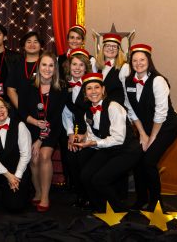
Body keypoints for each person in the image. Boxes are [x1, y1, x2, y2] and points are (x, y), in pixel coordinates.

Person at [73, 73, 142, 212]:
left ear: (103, 89)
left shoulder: (113, 107)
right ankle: (100, 208)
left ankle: (120, 210)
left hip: (127, 150)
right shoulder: (88, 113)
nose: (93, 92)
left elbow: (118, 138)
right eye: (89, 88)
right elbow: (94, 137)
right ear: (85, 93)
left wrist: (93, 144)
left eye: (97, 87)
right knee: (86, 175)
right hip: (109, 148)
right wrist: (84, 139)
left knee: (100, 179)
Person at [124, 44, 177, 211]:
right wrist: (142, 134)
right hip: (146, 128)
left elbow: (161, 114)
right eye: (135, 60)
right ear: (131, 62)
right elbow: (131, 110)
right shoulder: (128, 81)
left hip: (167, 127)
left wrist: (152, 137)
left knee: (148, 161)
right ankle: (141, 199)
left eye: (142, 59)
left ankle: (156, 204)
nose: (138, 63)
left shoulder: (158, 81)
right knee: (137, 160)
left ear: (149, 61)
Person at [18, 52, 68, 212]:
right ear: (39, 67)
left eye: (51, 65)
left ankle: (45, 196)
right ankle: (38, 191)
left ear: (55, 69)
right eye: (44, 65)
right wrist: (34, 122)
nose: (47, 69)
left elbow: (54, 116)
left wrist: (40, 140)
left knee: (44, 155)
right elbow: (21, 111)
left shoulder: (61, 87)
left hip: (52, 128)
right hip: (31, 126)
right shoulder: (28, 85)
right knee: (33, 157)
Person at [0, 95, 32, 212]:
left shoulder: (20, 125)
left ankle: (8, 192)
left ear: (7, 109)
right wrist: (8, 175)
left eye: (2, 107)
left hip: (17, 169)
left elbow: (26, 155)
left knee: (15, 207)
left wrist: (16, 177)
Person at [61, 48, 91, 207]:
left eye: (81, 65)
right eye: (74, 64)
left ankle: (89, 196)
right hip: (75, 130)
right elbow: (66, 113)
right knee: (72, 162)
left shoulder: (92, 86)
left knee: (85, 164)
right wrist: (70, 134)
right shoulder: (65, 86)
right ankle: (80, 196)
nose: (77, 68)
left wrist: (86, 134)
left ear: (86, 67)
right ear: (69, 66)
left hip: (91, 131)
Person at [7, 31, 42, 112]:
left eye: (35, 42)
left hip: (42, 108)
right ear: (23, 46)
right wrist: (22, 111)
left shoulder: (46, 64)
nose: (32, 45)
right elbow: (10, 90)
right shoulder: (17, 65)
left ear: (40, 45)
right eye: (28, 42)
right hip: (21, 113)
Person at [95, 33, 130, 105]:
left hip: (117, 110)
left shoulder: (124, 67)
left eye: (114, 46)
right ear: (103, 48)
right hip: (102, 110)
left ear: (118, 50)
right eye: (108, 45)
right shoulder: (98, 67)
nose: (111, 48)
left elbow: (127, 94)